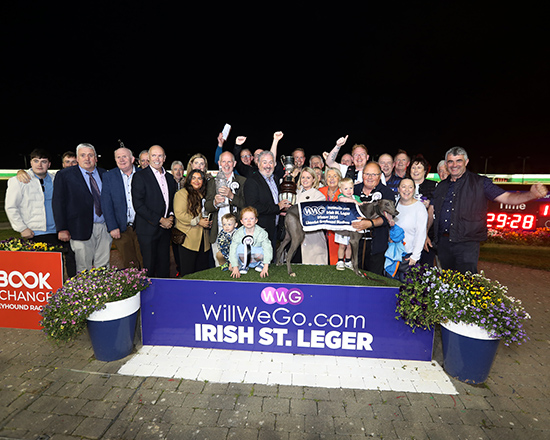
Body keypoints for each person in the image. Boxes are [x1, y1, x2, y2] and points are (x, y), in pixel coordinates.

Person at [429, 146, 548, 274]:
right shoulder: (441, 186)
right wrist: (426, 234)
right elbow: (433, 211)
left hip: (467, 243)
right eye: (451, 161)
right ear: (446, 164)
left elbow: (507, 197)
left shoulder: (481, 183)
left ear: (466, 162)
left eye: (459, 161)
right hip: (444, 243)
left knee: (467, 284)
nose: (454, 165)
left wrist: (531, 195)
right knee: (447, 282)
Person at [5, 149, 76, 277]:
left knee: (73, 260)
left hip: (60, 230)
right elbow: (11, 207)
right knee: (48, 268)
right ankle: (53, 293)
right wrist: (22, 228)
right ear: (31, 163)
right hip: (37, 232)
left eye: (43, 161)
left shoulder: (56, 179)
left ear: (49, 164)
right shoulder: (18, 181)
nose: (39, 164)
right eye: (36, 161)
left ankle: (74, 290)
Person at [52, 143, 112, 272]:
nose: (87, 158)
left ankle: (101, 291)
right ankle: (85, 291)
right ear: (77, 158)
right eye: (83, 155)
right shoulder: (64, 175)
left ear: (96, 158)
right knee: (83, 267)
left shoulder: (104, 174)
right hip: (79, 228)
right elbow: (58, 203)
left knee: (103, 267)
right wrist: (62, 228)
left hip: (104, 227)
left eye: (90, 155)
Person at [132, 145, 177, 278]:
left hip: (165, 230)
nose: (157, 159)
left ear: (164, 158)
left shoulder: (169, 178)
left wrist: (171, 217)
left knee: (164, 266)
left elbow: (172, 201)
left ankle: (163, 296)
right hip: (147, 230)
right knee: (149, 267)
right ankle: (148, 297)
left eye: (160, 155)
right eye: (154, 155)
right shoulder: (140, 176)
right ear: (149, 158)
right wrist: (160, 219)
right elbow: (138, 205)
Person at [101, 147, 143, 269]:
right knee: (129, 263)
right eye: (118, 157)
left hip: (142, 226)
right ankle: (134, 287)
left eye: (124, 156)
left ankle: (150, 286)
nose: (121, 159)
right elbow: (106, 203)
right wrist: (112, 226)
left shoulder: (143, 174)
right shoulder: (109, 176)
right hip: (121, 228)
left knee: (145, 260)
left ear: (132, 159)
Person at [351, 162, 396, 276]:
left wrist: (370, 223)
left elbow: (388, 218)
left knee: (375, 279)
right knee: (354, 278)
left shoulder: (387, 192)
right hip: (355, 244)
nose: (370, 177)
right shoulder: (353, 190)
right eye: (367, 174)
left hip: (376, 246)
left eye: (374, 174)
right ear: (362, 175)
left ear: (380, 176)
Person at [243, 150, 291, 252]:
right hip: (259, 231)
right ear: (258, 164)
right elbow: (253, 207)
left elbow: (274, 201)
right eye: (264, 162)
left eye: (270, 162)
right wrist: (277, 207)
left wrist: (281, 210)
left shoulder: (276, 179)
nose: (267, 166)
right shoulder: (252, 181)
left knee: (270, 261)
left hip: (274, 229)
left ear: (274, 164)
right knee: (259, 262)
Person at [204, 151, 246, 266]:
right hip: (218, 232)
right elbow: (207, 206)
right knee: (220, 266)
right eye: (224, 161)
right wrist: (215, 203)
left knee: (238, 265)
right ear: (219, 163)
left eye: (229, 161)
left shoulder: (243, 181)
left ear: (234, 163)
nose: (226, 164)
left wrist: (232, 196)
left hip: (237, 232)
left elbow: (247, 206)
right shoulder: (212, 182)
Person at [173, 169, 212, 276]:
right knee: (188, 273)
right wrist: (198, 221)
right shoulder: (181, 194)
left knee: (202, 273)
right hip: (188, 240)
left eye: (199, 178)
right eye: (194, 178)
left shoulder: (204, 194)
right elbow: (180, 214)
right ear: (189, 180)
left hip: (204, 241)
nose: (196, 181)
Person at [293, 167, 328, 265]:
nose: (305, 180)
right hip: (295, 234)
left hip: (312, 237)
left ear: (314, 179)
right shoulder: (295, 192)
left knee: (313, 266)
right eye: (303, 177)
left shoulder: (319, 196)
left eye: (308, 177)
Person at [408, 154, 437, 266]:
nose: (416, 170)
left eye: (419, 167)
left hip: (428, 233)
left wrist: (430, 203)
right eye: (413, 167)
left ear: (425, 171)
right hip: (408, 233)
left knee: (425, 267)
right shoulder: (405, 186)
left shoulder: (434, 186)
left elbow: (436, 208)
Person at [229, 206, 272, 278]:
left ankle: (261, 263)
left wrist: (266, 266)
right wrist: (234, 265)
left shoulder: (262, 233)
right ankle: (244, 265)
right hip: (244, 258)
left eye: (251, 218)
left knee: (265, 247)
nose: (248, 221)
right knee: (238, 247)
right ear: (241, 221)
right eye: (246, 219)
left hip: (258, 257)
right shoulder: (237, 234)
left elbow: (268, 249)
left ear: (256, 220)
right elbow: (233, 249)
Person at [394, 178, 428, 267]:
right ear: (398, 189)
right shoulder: (393, 204)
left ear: (414, 190)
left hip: (409, 256)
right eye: (403, 187)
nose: (406, 190)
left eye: (410, 187)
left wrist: (415, 257)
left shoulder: (419, 208)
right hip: (393, 253)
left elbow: (420, 234)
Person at [335, 177, 362, 270]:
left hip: (353, 225)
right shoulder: (341, 197)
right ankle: (340, 261)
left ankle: (348, 261)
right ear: (341, 190)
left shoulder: (357, 198)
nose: (349, 191)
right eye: (346, 188)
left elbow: (361, 207)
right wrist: (354, 202)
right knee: (342, 245)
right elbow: (343, 200)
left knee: (350, 244)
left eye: (351, 188)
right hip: (343, 225)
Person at [318, 167, 342, 265]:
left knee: (335, 260)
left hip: (337, 233)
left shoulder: (344, 193)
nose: (332, 179)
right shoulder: (320, 191)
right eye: (329, 176)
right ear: (325, 179)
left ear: (339, 179)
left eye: (335, 176)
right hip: (321, 232)